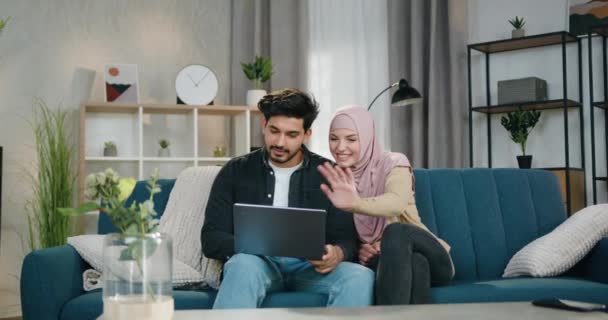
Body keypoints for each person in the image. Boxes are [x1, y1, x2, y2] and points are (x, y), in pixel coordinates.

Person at [201, 89, 374, 309]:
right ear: (264, 125)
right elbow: (211, 239)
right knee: (242, 265)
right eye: (274, 131)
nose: (280, 142)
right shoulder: (236, 170)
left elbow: (347, 239)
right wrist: (255, 245)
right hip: (257, 264)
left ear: (306, 134)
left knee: (360, 277)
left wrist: (337, 253)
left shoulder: (330, 173)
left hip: (310, 269)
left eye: (291, 135)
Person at [317, 105, 454, 305]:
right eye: (333, 138)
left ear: (367, 137)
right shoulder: (336, 178)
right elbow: (338, 233)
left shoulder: (394, 162)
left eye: (351, 139)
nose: (340, 147)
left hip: (434, 258)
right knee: (416, 264)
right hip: (386, 263)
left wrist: (354, 203)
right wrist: (360, 249)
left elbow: (396, 203)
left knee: (396, 232)